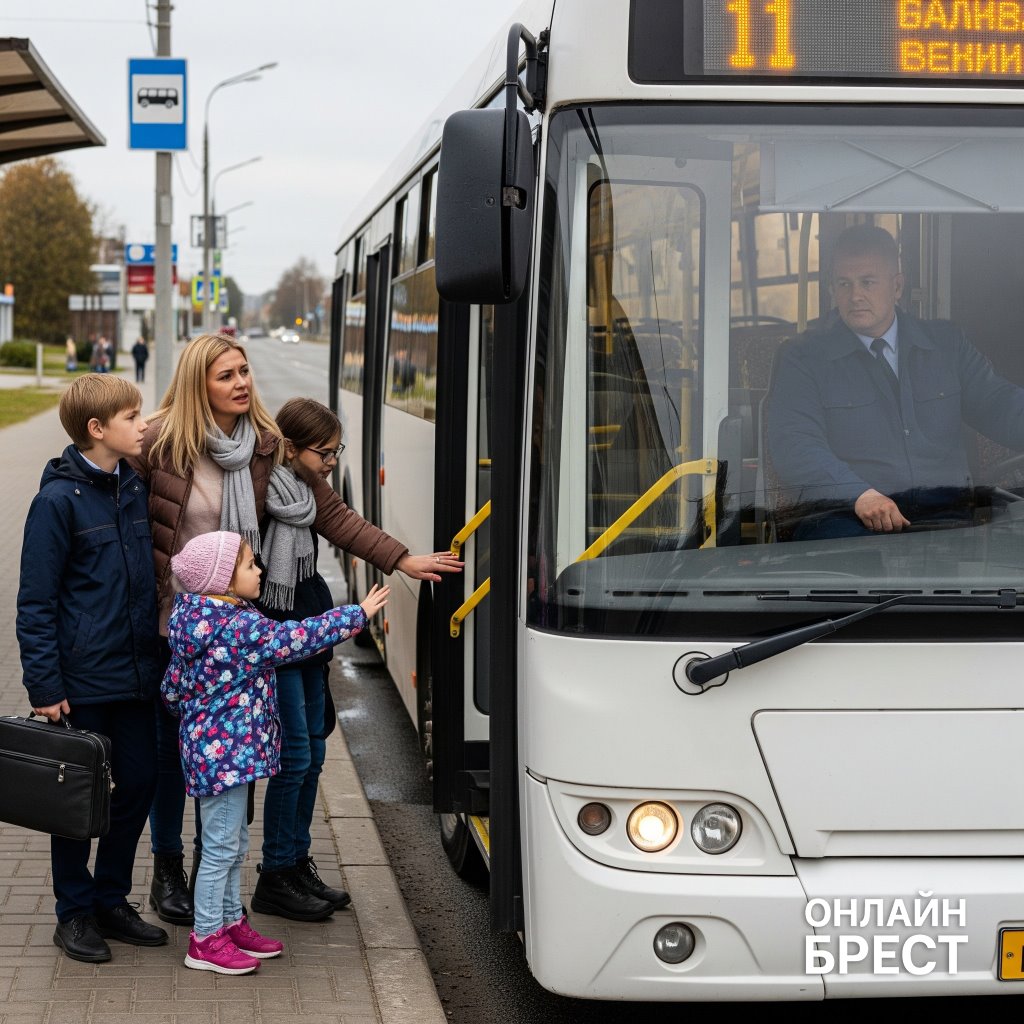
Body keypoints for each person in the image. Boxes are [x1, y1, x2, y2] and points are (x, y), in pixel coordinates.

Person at [128, 332, 463, 926]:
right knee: (170, 760)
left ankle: (219, 874)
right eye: (225, 375)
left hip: (238, 625)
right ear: (196, 383)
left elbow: (332, 514)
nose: (240, 383)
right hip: (171, 625)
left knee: (229, 755)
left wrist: (401, 558)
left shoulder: (265, 446)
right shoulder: (158, 443)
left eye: (244, 371)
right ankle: (169, 869)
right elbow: (109, 501)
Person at [162, 530, 389, 974]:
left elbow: (172, 689)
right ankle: (205, 939)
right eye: (249, 565)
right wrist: (355, 615)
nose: (260, 570)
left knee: (232, 842)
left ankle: (229, 921)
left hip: (219, 756)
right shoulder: (237, 626)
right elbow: (295, 638)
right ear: (222, 580)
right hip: (226, 760)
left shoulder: (200, 620)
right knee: (222, 847)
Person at [16, 374, 167, 964]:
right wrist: (45, 686)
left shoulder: (131, 484)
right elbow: (36, 600)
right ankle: (74, 913)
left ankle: (111, 899)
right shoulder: (56, 501)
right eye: (132, 417)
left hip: (135, 674)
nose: (144, 423)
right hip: (80, 682)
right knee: (79, 799)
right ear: (97, 430)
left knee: (138, 785)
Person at [765, 224, 1024, 539]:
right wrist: (858, 494)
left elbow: (998, 403)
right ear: (831, 288)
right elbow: (795, 445)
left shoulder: (946, 344)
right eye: (843, 284)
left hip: (948, 519)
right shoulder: (803, 358)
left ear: (897, 286)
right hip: (847, 522)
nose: (855, 295)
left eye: (867, 282)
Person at [249, 398, 358, 919]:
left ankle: (295, 862)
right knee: (292, 760)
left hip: (310, 638)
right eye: (325, 452)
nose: (332, 462)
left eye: (337, 451)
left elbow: (348, 526)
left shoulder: (309, 493)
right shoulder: (261, 494)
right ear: (290, 448)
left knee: (313, 756)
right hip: (277, 639)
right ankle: (274, 875)